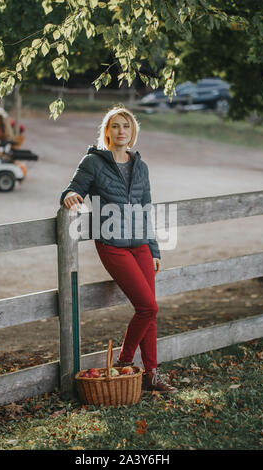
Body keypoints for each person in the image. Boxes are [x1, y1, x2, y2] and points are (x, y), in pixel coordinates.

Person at [60, 105, 177, 393]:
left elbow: (145, 209)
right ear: (107, 132)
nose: (121, 131)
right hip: (112, 245)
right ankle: (124, 362)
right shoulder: (93, 162)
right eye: (115, 126)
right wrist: (71, 195)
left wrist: (154, 250)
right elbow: (72, 189)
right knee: (148, 307)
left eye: (126, 126)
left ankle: (151, 374)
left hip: (141, 246)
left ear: (132, 132)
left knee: (147, 311)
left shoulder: (141, 166)